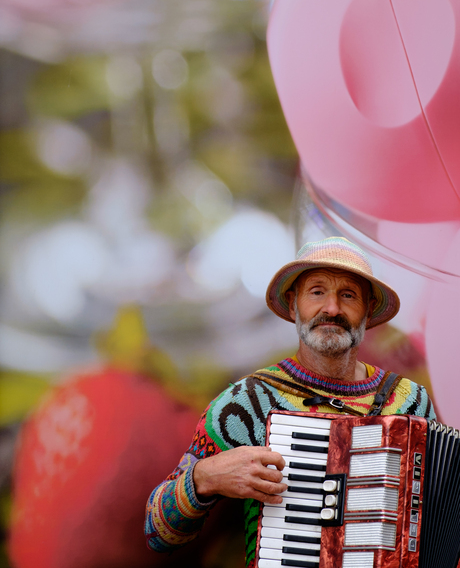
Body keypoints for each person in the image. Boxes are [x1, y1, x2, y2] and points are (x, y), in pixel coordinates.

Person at [145, 237, 435, 566]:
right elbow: (157, 533)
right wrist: (203, 478)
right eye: (317, 291)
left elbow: (433, 517)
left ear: (368, 311)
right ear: (293, 303)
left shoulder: (411, 402)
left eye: (348, 295)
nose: (332, 308)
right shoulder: (247, 403)